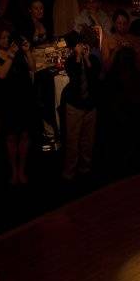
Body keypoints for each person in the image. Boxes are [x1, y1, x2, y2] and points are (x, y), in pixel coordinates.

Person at [0, 19, 36, 185]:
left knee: (25, 135)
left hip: (24, 96)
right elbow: (1, 73)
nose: (6, 40)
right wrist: (11, 55)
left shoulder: (17, 46)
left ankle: (22, 169)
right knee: (11, 136)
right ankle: (13, 170)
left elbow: (33, 68)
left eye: (8, 37)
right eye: (3, 38)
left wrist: (27, 52)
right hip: (7, 99)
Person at [61, 31, 101, 181]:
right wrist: (78, 57)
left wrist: (86, 58)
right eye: (78, 45)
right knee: (72, 141)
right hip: (75, 106)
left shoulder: (93, 60)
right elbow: (75, 77)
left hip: (90, 106)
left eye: (82, 44)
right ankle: (69, 172)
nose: (81, 47)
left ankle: (86, 169)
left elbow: (94, 76)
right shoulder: (70, 61)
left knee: (87, 141)